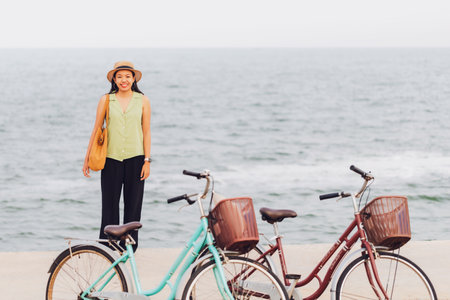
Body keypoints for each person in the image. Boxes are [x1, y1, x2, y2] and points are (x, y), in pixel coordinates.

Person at [82, 61, 151, 251]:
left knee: (133, 205)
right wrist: (87, 157)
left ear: (133, 79)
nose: (124, 80)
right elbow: (96, 129)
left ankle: (129, 246)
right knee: (110, 204)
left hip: (136, 159)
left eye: (127, 76)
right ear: (114, 79)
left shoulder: (142, 100)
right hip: (111, 160)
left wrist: (147, 160)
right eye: (120, 76)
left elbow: (146, 132)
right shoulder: (106, 100)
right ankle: (108, 246)